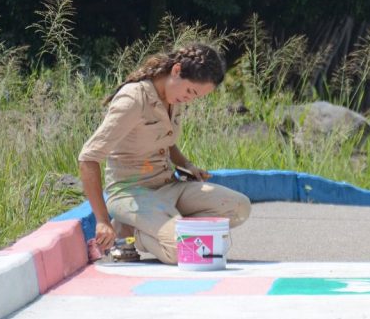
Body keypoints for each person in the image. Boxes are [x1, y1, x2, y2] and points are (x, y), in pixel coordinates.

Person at [79, 43, 251, 263]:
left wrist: (186, 165)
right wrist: (102, 220)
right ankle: (130, 232)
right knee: (186, 252)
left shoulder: (172, 96)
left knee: (239, 207)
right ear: (176, 70)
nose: (189, 99)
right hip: (131, 194)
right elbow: (88, 158)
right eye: (190, 91)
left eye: (196, 96)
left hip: (169, 186)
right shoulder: (134, 99)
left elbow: (165, 142)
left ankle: (165, 226)